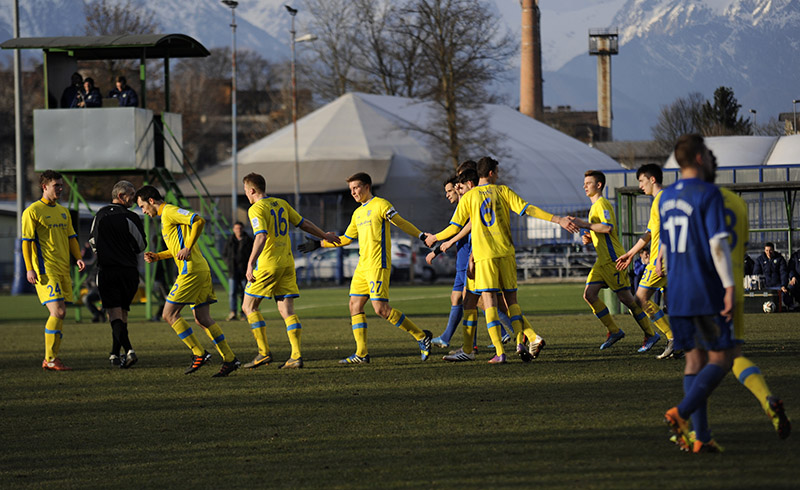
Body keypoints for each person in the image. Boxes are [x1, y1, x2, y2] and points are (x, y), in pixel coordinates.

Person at [426, 157, 578, 363]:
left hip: (485, 256)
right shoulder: (503, 191)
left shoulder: (470, 197)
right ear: (491, 172)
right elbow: (528, 209)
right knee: (510, 301)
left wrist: (435, 238)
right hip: (506, 254)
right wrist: (557, 219)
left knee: (488, 301)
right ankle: (519, 341)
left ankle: (499, 352)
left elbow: (455, 227)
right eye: (497, 171)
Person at [298, 172, 433, 364]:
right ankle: (361, 353)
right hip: (362, 266)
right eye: (351, 189)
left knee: (381, 309)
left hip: (378, 264)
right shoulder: (357, 213)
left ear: (367, 187)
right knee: (354, 305)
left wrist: (421, 236)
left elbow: (400, 222)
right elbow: (345, 239)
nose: (353, 192)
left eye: (356, 188)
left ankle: (421, 336)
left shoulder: (381, 205)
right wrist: (320, 244)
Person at [660, 134, 736, 453]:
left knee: (694, 360)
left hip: (676, 291)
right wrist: (730, 286)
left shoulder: (664, 197)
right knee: (723, 357)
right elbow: (717, 244)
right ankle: (681, 412)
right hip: (703, 288)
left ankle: (701, 438)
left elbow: (663, 249)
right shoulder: (708, 193)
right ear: (700, 158)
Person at [135, 186, 240, 377]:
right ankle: (230, 359)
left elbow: (199, 220)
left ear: (151, 201)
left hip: (191, 271)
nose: (143, 211)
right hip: (199, 269)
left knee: (169, 314)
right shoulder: (166, 217)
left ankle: (199, 353)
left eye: (142, 206)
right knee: (202, 318)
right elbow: (179, 249)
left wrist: (189, 247)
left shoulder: (169, 211)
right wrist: (159, 256)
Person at [240, 173, 340, 369]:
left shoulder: (255, 209)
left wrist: (250, 263)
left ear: (251, 190)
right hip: (287, 263)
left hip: (268, 265)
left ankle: (263, 353)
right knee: (287, 310)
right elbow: (304, 223)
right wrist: (324, 235)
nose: (245, 194)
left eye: (245, 191)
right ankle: (295, 356)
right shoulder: (281, 203)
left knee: (248, 307)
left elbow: (260, 236)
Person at [716, 183, 791, 441]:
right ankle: (766, 398)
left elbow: (714, 247)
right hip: (735, 289)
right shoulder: (739, 205)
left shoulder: (698, 204)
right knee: (733, 355)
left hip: (709, 291)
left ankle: (688, 421)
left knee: (697, 361)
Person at [571, 170, 660, 352]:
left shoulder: (602, 204)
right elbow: (600, 231)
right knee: (589, 295)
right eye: (584, 183)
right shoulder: (594, 206)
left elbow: (608, 227)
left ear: (599, 185)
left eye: (588, 183)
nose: (584, 186)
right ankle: (614, 330)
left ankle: (651, 334)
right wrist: (589, 236)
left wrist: (585, 225)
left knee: (627, 300)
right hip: (601, 262)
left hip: (613, 260)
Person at [22, 170, 86, 370]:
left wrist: (78, 258)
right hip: (44, 270)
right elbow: (26, 243)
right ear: (44, 187)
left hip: (62, 269)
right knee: (57, 311)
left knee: (61, 312)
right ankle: (50, 359)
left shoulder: (63, 211)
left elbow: (71, 238)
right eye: (56, 185)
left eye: (61, 185)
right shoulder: (32, 211)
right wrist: (29, 269)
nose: (60, 188)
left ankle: (51, 359)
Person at [614, 163, 676, 359]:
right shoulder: (658, 200)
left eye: (641, 181)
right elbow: (649, 233)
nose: (640, 185)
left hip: (662, 260)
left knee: (640, 299)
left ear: (652, 179)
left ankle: (673, 338)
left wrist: (659, 259)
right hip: (665, 259)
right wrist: (631, 253)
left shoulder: (663, 199)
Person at [89, 180, 146, 368]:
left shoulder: (101, 215)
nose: (135, 198)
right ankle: (114, 353)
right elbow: (141, 246)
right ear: (121, 196)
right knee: (122, 313)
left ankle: (129, 350)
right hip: (129, 272)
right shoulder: (132, 217)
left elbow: (92, 241)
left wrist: (106, 252)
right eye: (132, 194)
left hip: (108, 271)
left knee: (114, 314)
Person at [223, 221, 253, 321]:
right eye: (236, 228)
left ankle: (244, 313)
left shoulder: (248, 240)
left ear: (243, 229)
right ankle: (233, 312)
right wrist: (228, 263)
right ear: (233, 229)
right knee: (232, 293)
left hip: (245, 271)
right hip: (233, 271)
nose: (238, 230)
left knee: (246, 293)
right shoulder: (230, 240)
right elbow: (225, 254)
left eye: (240, 228)